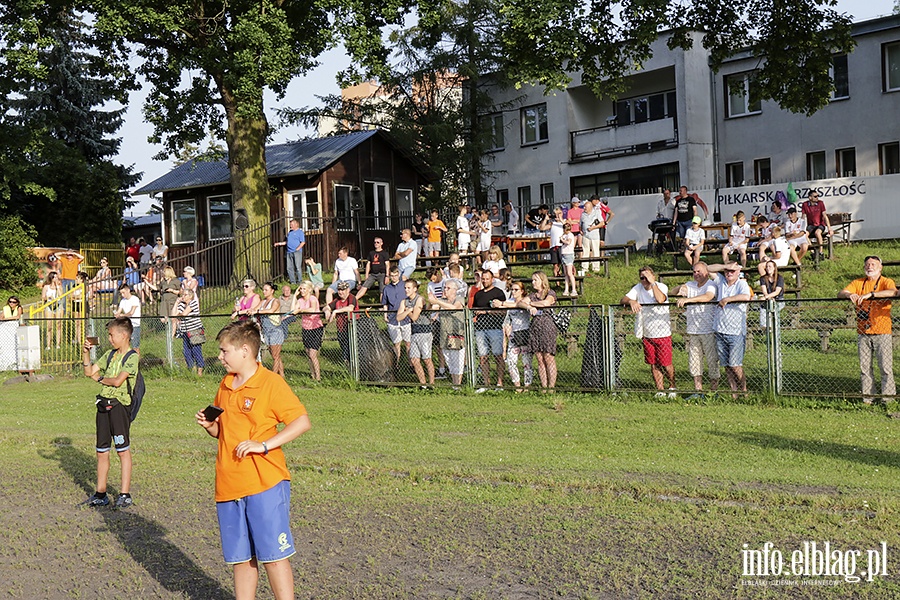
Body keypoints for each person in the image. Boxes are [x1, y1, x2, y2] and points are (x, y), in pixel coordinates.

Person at [195, 320, 311, 600]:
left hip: (265, 484)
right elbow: (224, 432)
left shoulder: (271, 383)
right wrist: (210, 426)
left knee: (273, 555)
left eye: (224, 351)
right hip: (228, 484)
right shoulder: (224, 385)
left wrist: (263, 445)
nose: (220, 357)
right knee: (241, 558)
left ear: (245, 350)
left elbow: (301, 422)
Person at [81, 317, 139, 509]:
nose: (109, 338)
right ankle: (101, 493)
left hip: (119, 407)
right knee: (101, 452)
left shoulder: (132, 357)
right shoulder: (109, 354)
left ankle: (124, 494)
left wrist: (99, 379)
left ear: (124, 335)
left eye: (111, 335)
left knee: (122, 451)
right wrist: (86, 354)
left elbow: (117, 381)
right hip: (103, 406)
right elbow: (89, 372)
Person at [838, 255, 897, 402]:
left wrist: (871, 295)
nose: (870, 266)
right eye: (867, 264)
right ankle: (868, 398)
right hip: (863, 331)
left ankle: (888, 398)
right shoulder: (858, 282)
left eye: (873, 264)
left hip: (882, 331)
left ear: (880, 267)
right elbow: (841, 293)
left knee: (885, 367)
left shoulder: (886, 281)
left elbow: (893, 292)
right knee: (865, 368)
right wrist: (850, 294)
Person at [622, 266, 675, 396]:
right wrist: (631, 301)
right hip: (647, 332)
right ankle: (660, 389)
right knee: (653, 363)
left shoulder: (661, 287)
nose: (644, 280)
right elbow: (622, 299)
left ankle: (672, 386)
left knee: (666, 363)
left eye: (647, 277)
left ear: (653, 276)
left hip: (662, 332)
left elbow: (660, 299)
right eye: (642, 278)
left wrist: (653, 283)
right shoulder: (637, 288)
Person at [673, 262, 720, 395]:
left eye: (699, 271)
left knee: (712, 361)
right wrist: (680, 288)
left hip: (708, 329)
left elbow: (708, 297)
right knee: (694, 362)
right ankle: (698, 391)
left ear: (706, 272)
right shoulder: (690, 284)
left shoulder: (710, 284)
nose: (696, 274)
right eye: (694, 272)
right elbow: (673, 292)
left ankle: (713, 391)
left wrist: (688, 300)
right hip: (693, 330)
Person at [713, 262, 752, 395]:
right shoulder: (721, 281)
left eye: (732, 271)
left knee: (735, 364)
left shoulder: (741, 284)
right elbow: (707, 268)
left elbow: (746, 297)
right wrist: (725, 265)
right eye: (727, 271)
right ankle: (733, 391)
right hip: (720, 329)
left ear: (738, 272)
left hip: (735, 331)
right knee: (726, 365)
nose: (729, 273)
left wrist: (728, 299)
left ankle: (744, 390)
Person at [524, 271, 558, 391]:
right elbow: (521, 302)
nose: (533, 282)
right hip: (535, 327)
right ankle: (544, 387)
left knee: (548, 357)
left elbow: (546, 303)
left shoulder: (550, 293)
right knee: (539, 358)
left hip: (547, 326)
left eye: (535, 280)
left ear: (542, 281)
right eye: (532, 280)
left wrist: (532, 304)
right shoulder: (532, 295)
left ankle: (551, 387)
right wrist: (528, 306)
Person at [472, 269, 506, 391]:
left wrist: (487, 311)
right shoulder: (478, 294)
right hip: (481, 329)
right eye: (483, 278)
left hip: (495, 328)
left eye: (487, 278)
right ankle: (486, 384)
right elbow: (473, 310)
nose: (485, 281)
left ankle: (500, 383)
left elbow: (503, 311)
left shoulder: (498, 293)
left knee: (498, 356)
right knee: (483, 356)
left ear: (492, 279)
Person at [397, 279, 434, 387]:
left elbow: (414, 317)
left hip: (424, 331)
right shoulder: (404, 301)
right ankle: (423, 384)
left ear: (415, 289)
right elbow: (398, 317)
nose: (406, 290)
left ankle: (432, 384)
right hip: (414, 332)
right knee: (414, 359)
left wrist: (407, 312)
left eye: (408, 288)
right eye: (405, 288)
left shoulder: (420, 299)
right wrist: (408, 311)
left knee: (427, 359)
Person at [430, 278, 466, 387]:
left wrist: (437, 301)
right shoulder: (442, 301)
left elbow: (454, 307)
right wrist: (432, 301)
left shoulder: (459, 299)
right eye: (444, 287)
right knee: (449, 360)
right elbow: (433, 307)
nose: (445, 290)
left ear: (455, 290)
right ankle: (455, 383)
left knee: (457, 361)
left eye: (448, 288)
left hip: (456, 335)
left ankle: (458, 384)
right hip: (445, 335)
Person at [500, 282, 533, 391]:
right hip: (514, 335)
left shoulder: (526, 300)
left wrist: (502, 303)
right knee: (511, 362)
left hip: (525, 333)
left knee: (526, 363)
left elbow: (519, 304)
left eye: (516, 290)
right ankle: (518, 387)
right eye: (512, 290)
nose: (513, 292)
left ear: (522, 291)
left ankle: (527, 386)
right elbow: (507, 313)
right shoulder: (509, 301)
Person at [292, 281, 324, 381]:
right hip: (306, 329)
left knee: (312, 354)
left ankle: (318, 377)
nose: (302, 291)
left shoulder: (312, 298)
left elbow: (312, 309)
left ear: (309, 290)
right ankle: (312, 375)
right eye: (301, 289)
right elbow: (293, 310)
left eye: (304, 289)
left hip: (315, 328)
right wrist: (294, 296)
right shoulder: (300, 300)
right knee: (308, 353)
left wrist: (301, 310)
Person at [324, 280, 359, 365]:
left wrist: (335, 311)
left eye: (343, 290)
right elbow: (326, 307)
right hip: (341, 328)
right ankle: (347, 363)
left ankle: (351, 364)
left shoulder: (351, 298)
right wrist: (327, 311)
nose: (340, 292)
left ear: (348, 290)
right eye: (339, 290)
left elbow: (350, 308)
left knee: (350, 348)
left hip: (352, 327)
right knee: (343, 347)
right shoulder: (337, 300)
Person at [381, 268, 411, 362]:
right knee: (396, 343)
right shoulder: (386, 289)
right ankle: (397, 364)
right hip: (392, 318)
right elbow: (385, 304)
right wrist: (385, 315)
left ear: (398, 275)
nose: (394, 277)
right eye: (392, 276)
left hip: (406, 318)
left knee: (408, 343)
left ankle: (411, 364)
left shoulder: (405, 286)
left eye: (395, 275)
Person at [174, 288, 205, 376]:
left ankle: (200, 370)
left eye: (185, 295)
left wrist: (178, 314)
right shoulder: (181, 305)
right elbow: (173, 314)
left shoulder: (193, 303)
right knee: (187, 352)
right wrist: (176, 303)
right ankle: (191, 369)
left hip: (194, 331)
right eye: (182, 294)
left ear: (190, 296)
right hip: (185, 332)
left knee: (196, 350)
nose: (183, 296)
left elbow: (184, 314)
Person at [258, 283, 286, 377]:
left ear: (272, 291)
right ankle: (282, 375)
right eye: (263, 290)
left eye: (266, 290)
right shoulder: (262, 302)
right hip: (266, 330)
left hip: (275, 330)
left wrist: (258, 311)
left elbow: (271, 310)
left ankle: (274, 377)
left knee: (275, 355)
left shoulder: (275, 301)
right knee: (275, 355)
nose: (264, 292)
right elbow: (254, 308)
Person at [275, 218, 305, 285]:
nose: (290, 226)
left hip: (296, 252)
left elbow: (303, 242)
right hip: (289, 252)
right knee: (289, 268)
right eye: (290, 224)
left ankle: (299, 281)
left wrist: (298, 248)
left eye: (292, 224)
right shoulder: (290, 233)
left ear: (296, 224)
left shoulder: (300, 232)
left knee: (297, 267)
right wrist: (279, 243)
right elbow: (287, 242)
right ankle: (292, 281)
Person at [757, 259, 784, 329]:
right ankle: (764, 326)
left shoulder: (779, 278)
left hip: (778, 299)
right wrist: (768, 297)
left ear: (774, 268)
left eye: (770, 266)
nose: (768, 268)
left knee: (774, 308)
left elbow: (777, 292)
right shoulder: (763, 278)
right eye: (767, 266)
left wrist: (767, 297)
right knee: (763, 307)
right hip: (768, 298)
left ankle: (775, 327)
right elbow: (764, 291)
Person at [115, 283, 142, 352]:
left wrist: (122, 315)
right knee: (125, 346)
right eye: (121, 293)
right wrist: (117, 314)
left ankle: (136, 361)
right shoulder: (122, 301)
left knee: (135, 347)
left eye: (123, 293)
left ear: (128, 290)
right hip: (126, 326)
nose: (122, 295)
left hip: (134, 325)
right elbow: (119, 311)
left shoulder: (135, 299)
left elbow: (131, 312)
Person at [580, 201, 604, 274]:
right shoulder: (582, 215)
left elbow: (602, 223)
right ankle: (584, 267)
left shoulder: (597, 213)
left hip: (594, 236)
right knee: (585, 251)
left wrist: (594, 227)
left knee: (595, 251)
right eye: (584, 207)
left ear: (590, 207)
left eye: (585, 207)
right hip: (585, 236)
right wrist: (581, 230)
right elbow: (580, 224)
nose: (584, 208)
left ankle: (596, 267)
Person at [42, 271, 63, 349]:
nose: (56, 279)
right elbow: (43, 297)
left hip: (57, 305)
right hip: (49, 305)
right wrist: (48, 297)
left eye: (57, 277)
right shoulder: (46, 287)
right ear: (51, 278)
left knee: (58, 324)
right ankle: (48, 344)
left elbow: (61, 296)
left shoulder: (59, 286)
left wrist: (57, 286)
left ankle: (58, 344)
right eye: (54, 277)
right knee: (49, 326)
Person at [560, 223, 577, 296]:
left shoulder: (570, 235)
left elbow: (568, 242)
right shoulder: (565, 235)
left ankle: (573, 289)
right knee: (566, 274)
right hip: (564, 254)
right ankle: (566, 289)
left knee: (570, 273)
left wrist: (562, 239)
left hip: (569, 254)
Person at [548, 206, 565, 276]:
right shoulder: (552, 223)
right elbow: (542, 228)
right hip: (554, 246)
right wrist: (545, 219)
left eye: (559, 213)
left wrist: (561, 219)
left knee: (565, 265)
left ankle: (567, 282)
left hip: (562, 246)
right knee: (555, 266)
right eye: (555, 214)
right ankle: (557, 283)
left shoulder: (565, 222)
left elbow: (568, 227)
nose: (557, 215)